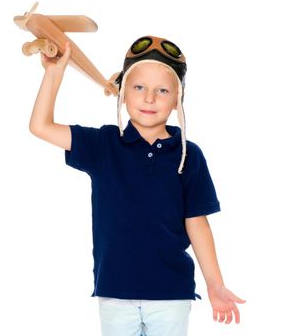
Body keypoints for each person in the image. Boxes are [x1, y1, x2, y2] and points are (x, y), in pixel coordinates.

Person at [28, 35, 246, 336]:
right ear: (122, 92)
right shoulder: (103, 144)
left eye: (162, 90)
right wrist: (54, 73)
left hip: (171, 294)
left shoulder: (188, 154)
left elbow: (197, 223)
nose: (149, 98)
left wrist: (215, 284)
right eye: (139, 87)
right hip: (115, 291)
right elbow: (40, 126)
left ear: (177, 100)